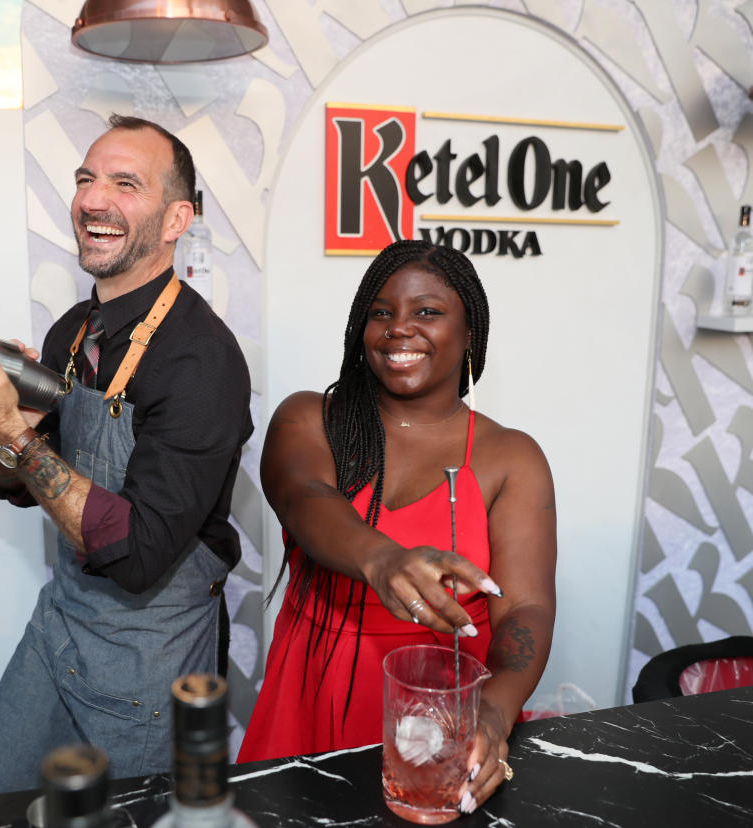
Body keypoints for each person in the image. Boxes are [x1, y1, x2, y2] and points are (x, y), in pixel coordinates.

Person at [0, 115, 253, 793]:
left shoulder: (201, 359)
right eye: (87, 179)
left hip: (153, 655)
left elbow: (138, 553)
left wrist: (18, 436)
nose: (93, 200)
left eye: (125, 184)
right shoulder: (73, 331)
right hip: (62, 626)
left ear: (177, 219)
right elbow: (19, 486)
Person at [237, 240, 555, 815]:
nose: (398, 329)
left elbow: (526, 608)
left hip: (447, 719)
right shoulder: (312, 417)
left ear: (470, 335)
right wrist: (384, 559)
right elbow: (303, 497)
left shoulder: (513, 457)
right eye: (380, 312)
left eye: (427, 312)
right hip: (313, 701)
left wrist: (494, 710)